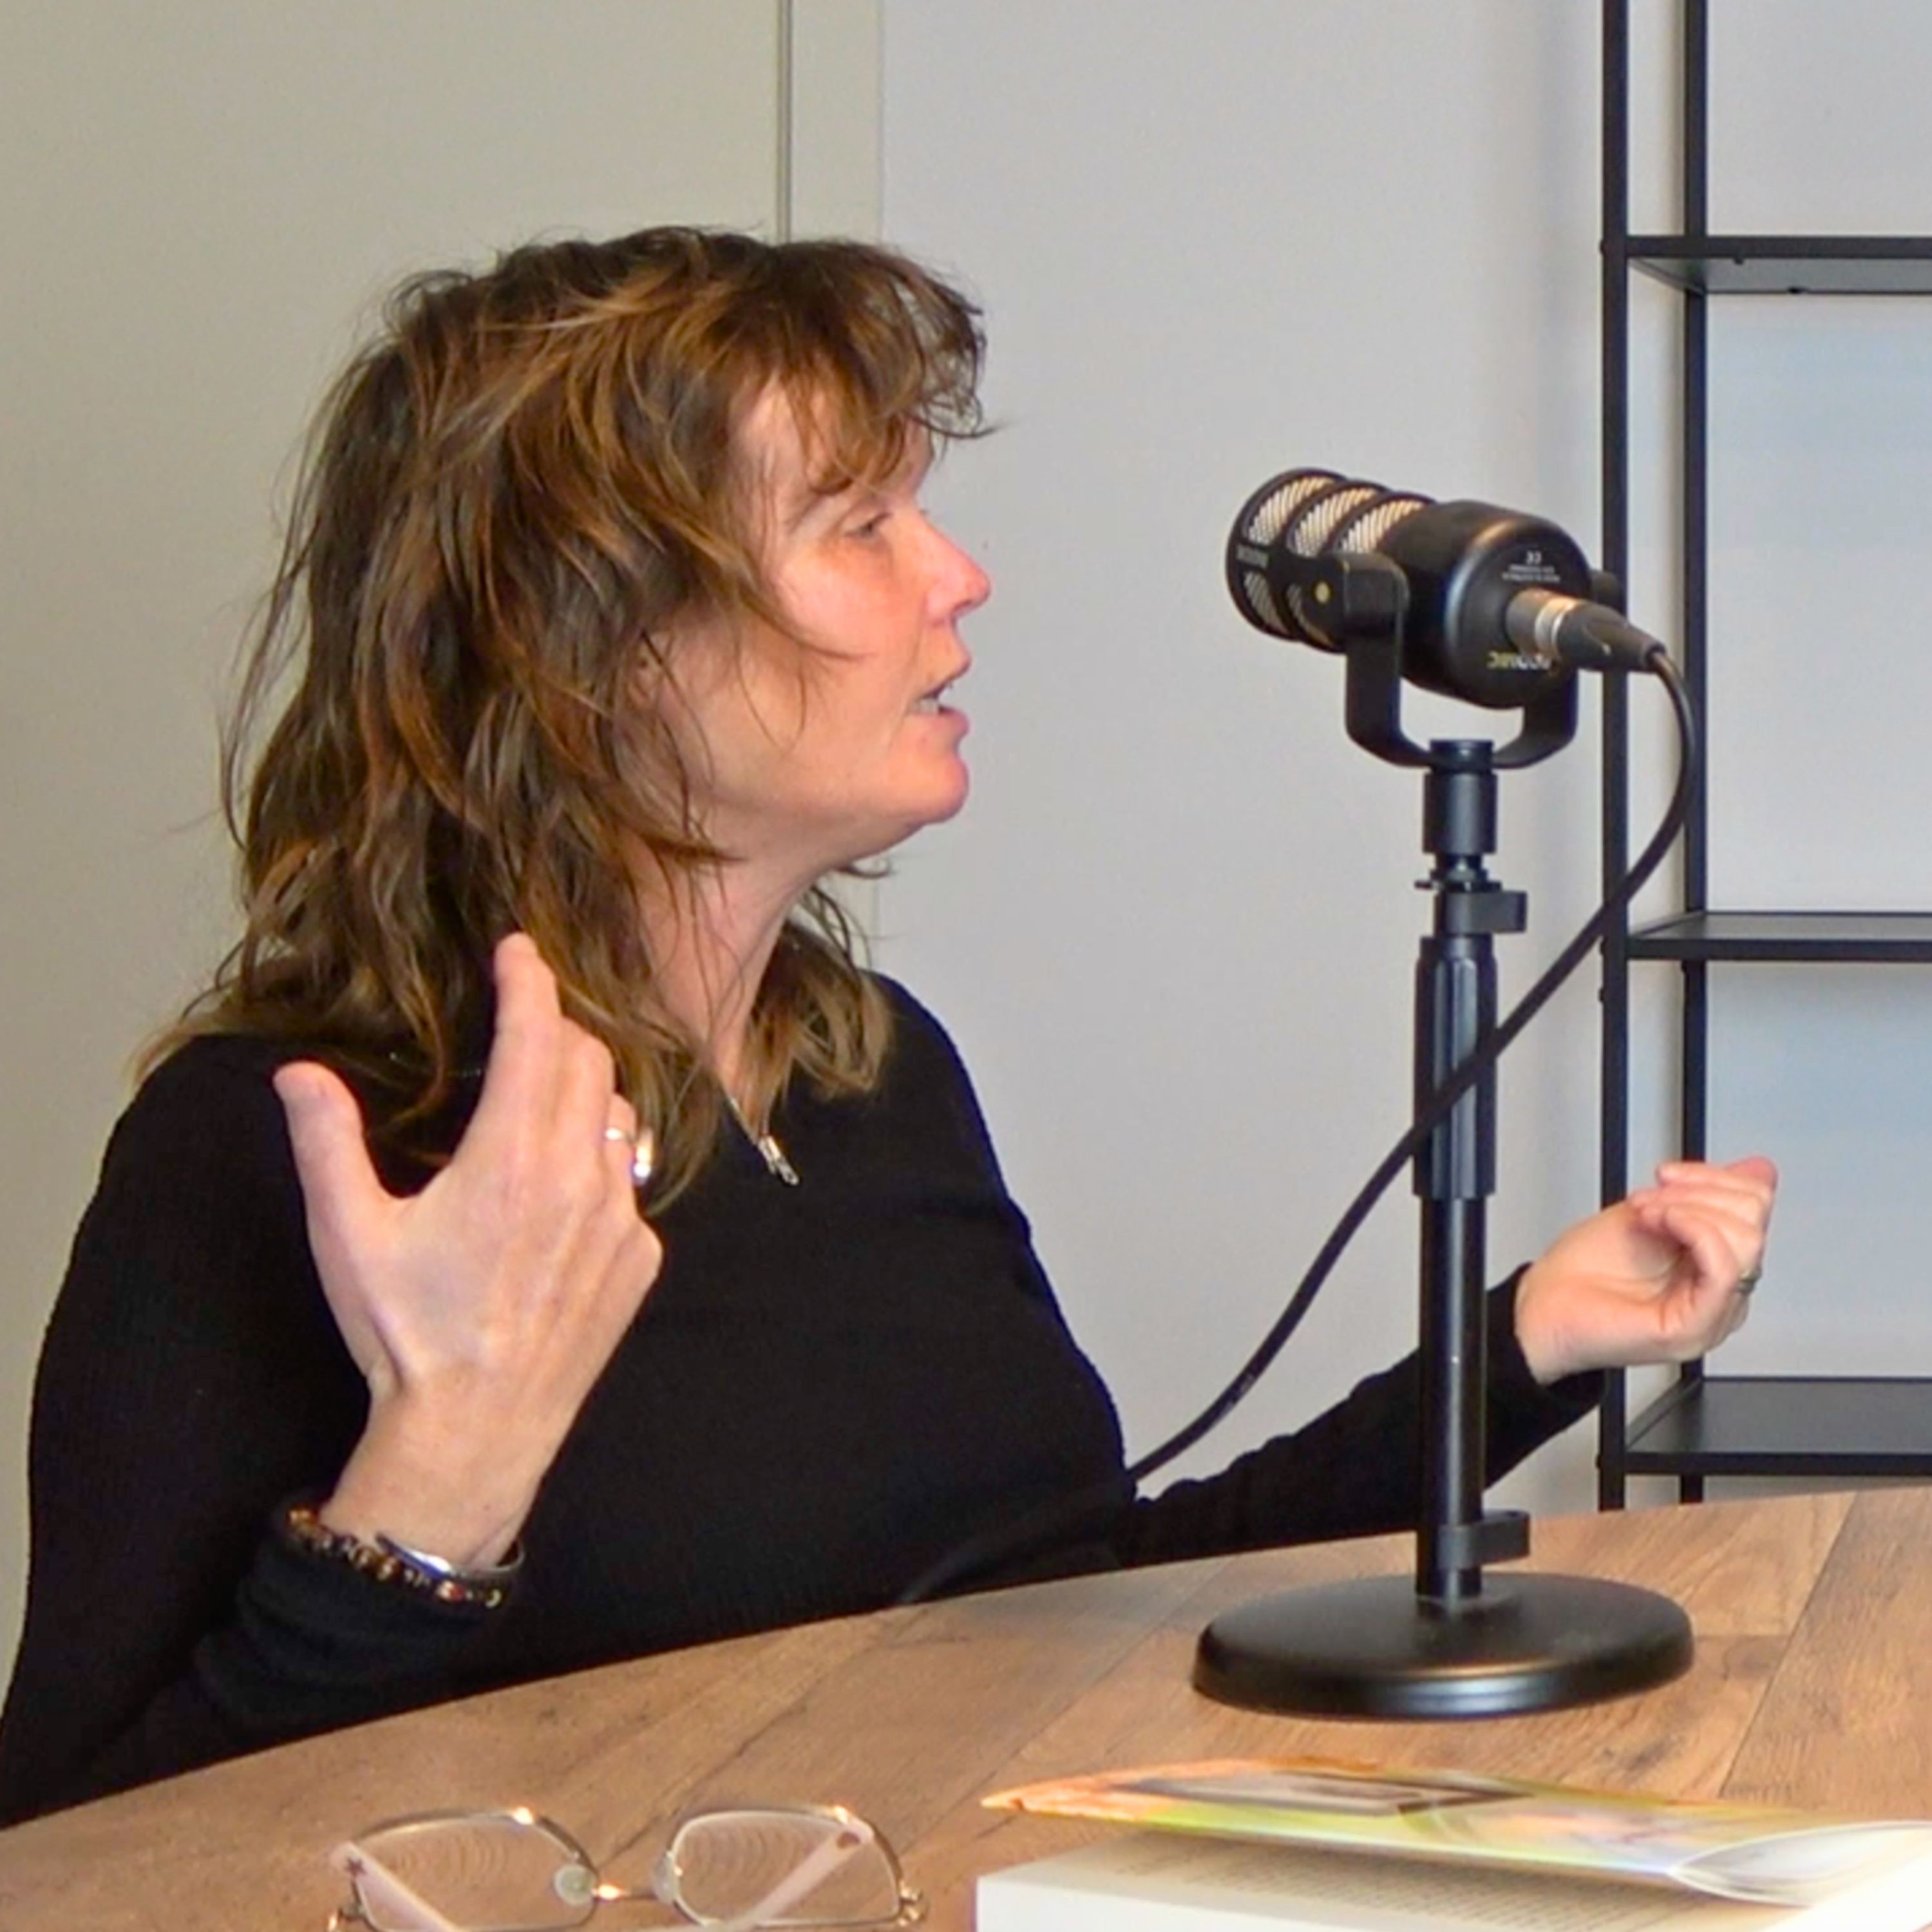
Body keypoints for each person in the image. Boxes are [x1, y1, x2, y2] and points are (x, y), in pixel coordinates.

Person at [0, 227, 1775, 1824]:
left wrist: (1524, 1345)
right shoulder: (289, 1144)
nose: (959, 574)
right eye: (858, 524)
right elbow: (68, 1856)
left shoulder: (869, 1073)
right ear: (598, 644)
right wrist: (432, 1490)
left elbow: (1052, 1601)